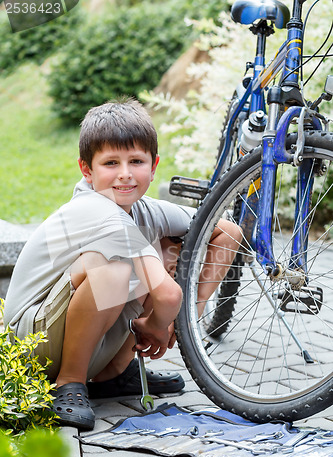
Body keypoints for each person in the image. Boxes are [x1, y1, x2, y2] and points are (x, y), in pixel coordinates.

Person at [4, 98, 242, 431]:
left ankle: (112, 373)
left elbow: (227, 232)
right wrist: (159, 322)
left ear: (154, 165)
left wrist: (185, 318)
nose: (125, 174)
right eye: (111, 163)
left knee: (170, 244)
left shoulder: (148, 209)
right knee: (114, 269)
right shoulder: (95, 210)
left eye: (136, 161)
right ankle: (70, 384)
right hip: (31, 346)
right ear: (87, 170)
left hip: (78, 336)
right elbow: (168, 297)